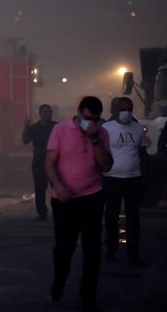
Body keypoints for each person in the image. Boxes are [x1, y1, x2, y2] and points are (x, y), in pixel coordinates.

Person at [45, 96, 113, 311]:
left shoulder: (101, 133)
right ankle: (60, 278)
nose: (89, 123)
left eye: (94, 119)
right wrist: (58, 185)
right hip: (64, 199)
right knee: (65, 247)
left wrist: (94, 139)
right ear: (78, 113)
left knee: (92, 247)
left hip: (92, 196)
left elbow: (106, 165)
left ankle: (88, 296)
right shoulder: (61, 130)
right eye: (86, 118)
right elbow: (49, 163)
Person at [102, 97, 150, 266]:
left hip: (133, 180)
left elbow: (143, 152)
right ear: (113, 110)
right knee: (111, 217)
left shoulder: (138, 128)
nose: (126, 112)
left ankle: (133, 254)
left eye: (129, 108)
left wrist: (144, 176)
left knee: (133, 219)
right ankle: (111, 251)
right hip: (112, 179)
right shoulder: (105, 129)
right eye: (122, 109)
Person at [22, 104, 57, 220]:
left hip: (54, 161)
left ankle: (58, 211)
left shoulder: (56, 127)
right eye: (46, 112)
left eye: (50, 112)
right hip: (39, 162)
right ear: (40, 114)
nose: (48, 114)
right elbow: (26, 141)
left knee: (56, 187)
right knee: (39, 188)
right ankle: (42, 212)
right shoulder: (34, 128)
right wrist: (26, 127)